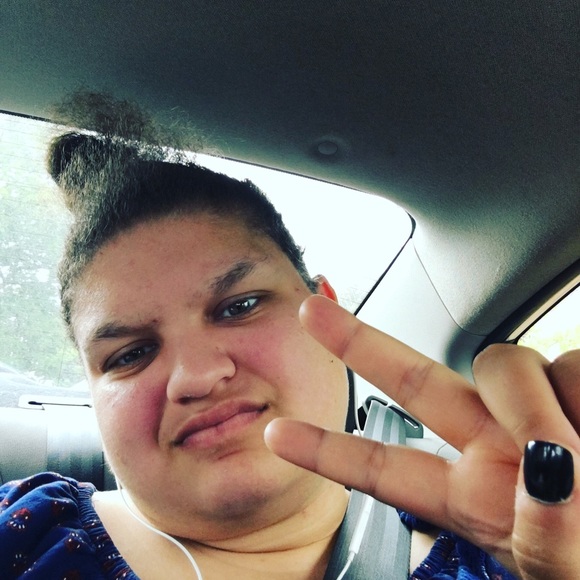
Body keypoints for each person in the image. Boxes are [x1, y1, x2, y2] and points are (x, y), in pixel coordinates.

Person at [0, 94, 577, 579]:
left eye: (240, 306)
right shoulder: (25, 536)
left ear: (327, 308)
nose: (197, 376)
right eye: (129, 354)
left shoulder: (504, 557)